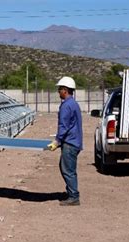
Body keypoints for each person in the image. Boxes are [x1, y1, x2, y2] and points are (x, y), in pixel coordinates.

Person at [47, 76, 83, 206]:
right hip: (75, 142)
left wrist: (57, 141)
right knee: (66, 168)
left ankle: (73, 196)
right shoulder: (73, 104)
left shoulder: (66, 106)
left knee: (68, 170)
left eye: (60, 89)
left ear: (65, 90)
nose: (58, 92)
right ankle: (71, 193)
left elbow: (64, 126)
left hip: (70, 143)